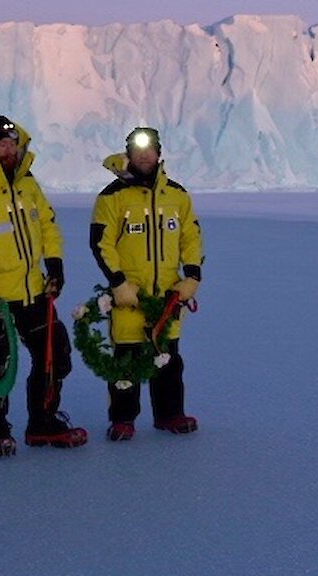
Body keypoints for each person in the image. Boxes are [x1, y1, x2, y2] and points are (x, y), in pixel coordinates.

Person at [0, 115, 85, 457]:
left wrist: (54, 263)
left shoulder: (27, 183)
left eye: (13, 143)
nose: (9, 150)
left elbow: (48, 224)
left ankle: (43, 423)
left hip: (35, 290)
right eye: (1, 144)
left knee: (56, 354)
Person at [90, 126, 204, 442]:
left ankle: (169, 415)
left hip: (167, 296)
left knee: (168, 359)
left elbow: (190, 237)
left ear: (159, 153)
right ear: (128, 154)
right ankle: (123, 419)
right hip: (129, 295)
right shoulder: (111, 196)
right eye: (137, 150)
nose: (144, 155)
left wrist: (192, 276)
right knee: (125, 360)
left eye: (149, 149)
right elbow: (101, 243)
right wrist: (118, 283)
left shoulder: (177, 195)